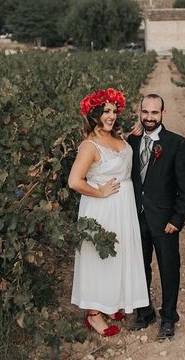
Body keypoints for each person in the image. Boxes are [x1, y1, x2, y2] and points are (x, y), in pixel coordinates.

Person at [69, 88, 149, 336]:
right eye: (105, 111)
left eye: (114, 111)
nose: (111, 116)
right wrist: (101, 192)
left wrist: (134, 135)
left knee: (119, 254)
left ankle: (110, 303)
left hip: (123, 206)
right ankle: (93, 314)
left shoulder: (119, 139)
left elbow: (126, 156)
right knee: (99, 257)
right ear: (94, 114)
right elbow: (74, 181)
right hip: (101, 206)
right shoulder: (89, 145)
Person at [127, 93, 185, 340]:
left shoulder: (178, 144)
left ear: (163, 114)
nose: (149, 117)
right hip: (136, 216)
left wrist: (177, 219)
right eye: (145, 112)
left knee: (169, 268)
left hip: (164, 221)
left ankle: (168, 317)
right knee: (139, 267)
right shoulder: (131, 142)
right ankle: (145, 312)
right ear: (139, 112)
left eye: (154, 113)